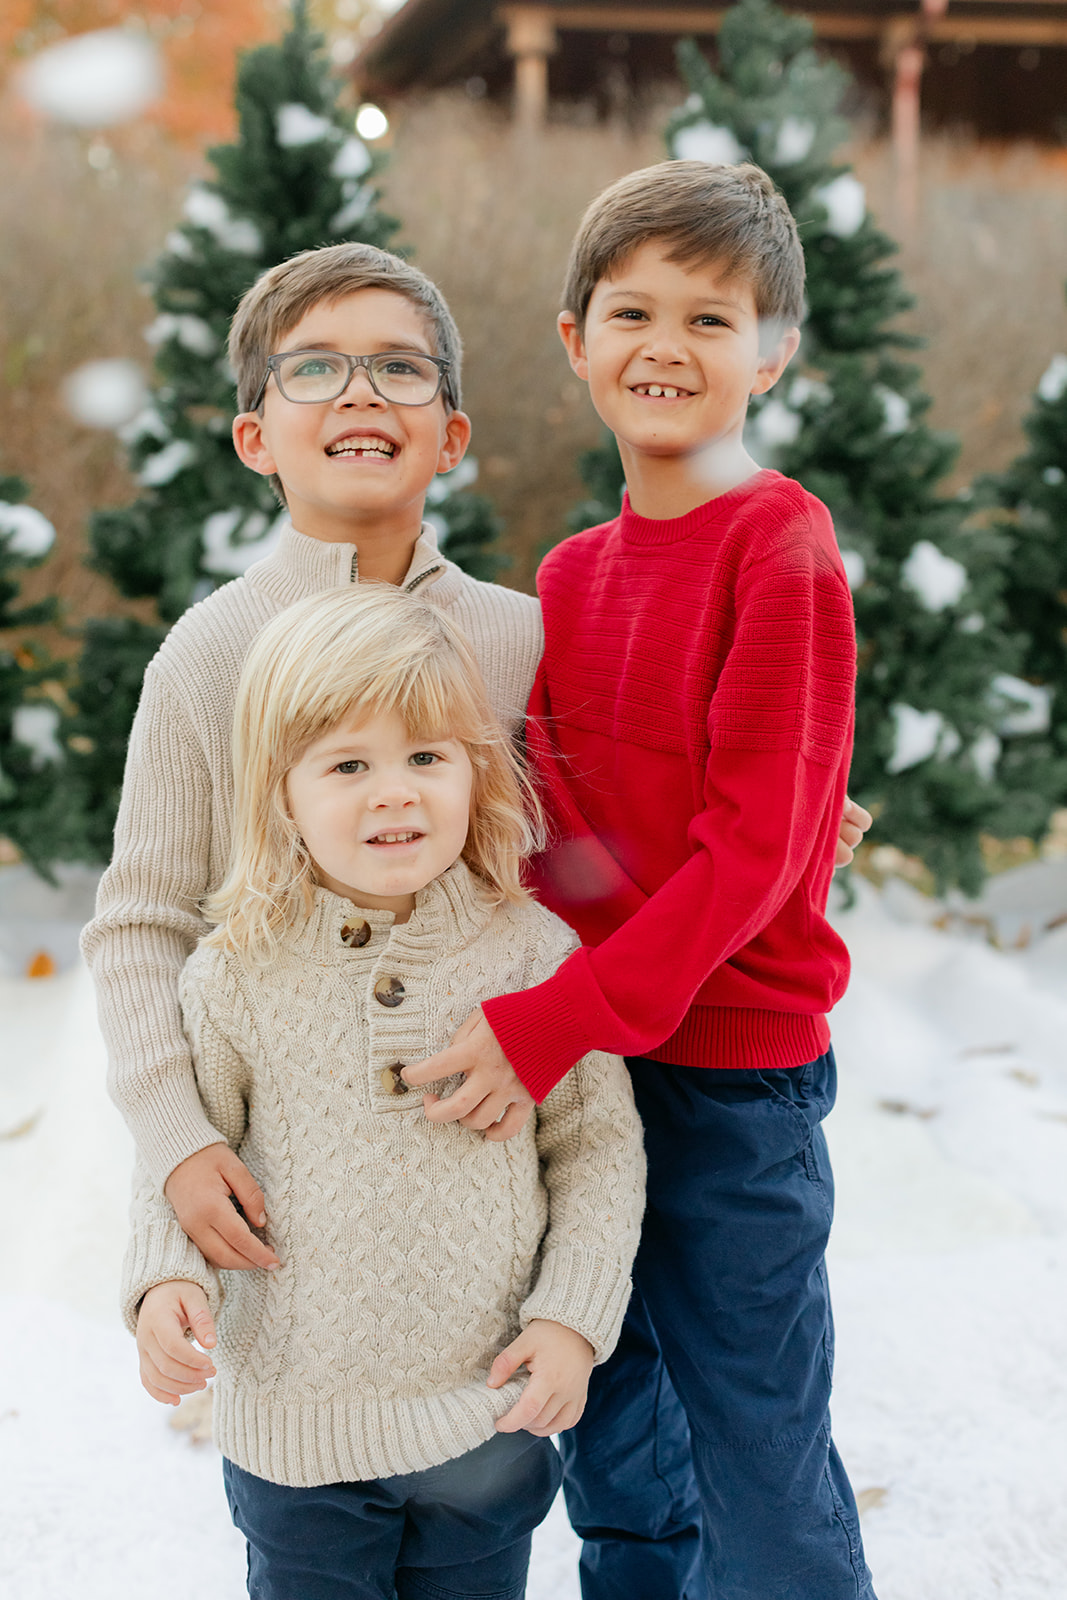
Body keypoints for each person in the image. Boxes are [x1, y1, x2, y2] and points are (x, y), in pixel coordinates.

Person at [83, 236, 868, 1274]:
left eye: (399, 368)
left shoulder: (516, 635)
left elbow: (618, 809)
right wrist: (175, 1136)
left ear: (450, 435)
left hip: (500, 1150)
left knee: (556, 1422)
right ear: (253, 435)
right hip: (294, 1172)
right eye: (313, 367)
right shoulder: (207, 657)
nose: (359, 395)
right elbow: (143, 921)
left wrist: (808, 816)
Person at [402, 161, 878, 1599]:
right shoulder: (568, 576)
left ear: (772, 350)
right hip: (599, 1083)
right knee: (608, 1432)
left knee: (754, 1458)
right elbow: (565, 825)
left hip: (728, 1088)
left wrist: (553, 1019)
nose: (665, 347)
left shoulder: (776, 547)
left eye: (710, 318)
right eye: (631, 311)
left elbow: (737, 854)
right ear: (572, 339)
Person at [126, 585, 646, 1600]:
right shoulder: (235, 972)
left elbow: (595, 1149)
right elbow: (182, 1156)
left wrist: (570, 1318)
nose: (394, 793)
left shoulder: (533, 954)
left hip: (479, 1420)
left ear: (472, 771)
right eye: (349, 765)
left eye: (425, 757)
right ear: (282, 793)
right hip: (293, 1431)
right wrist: (162, 1278)